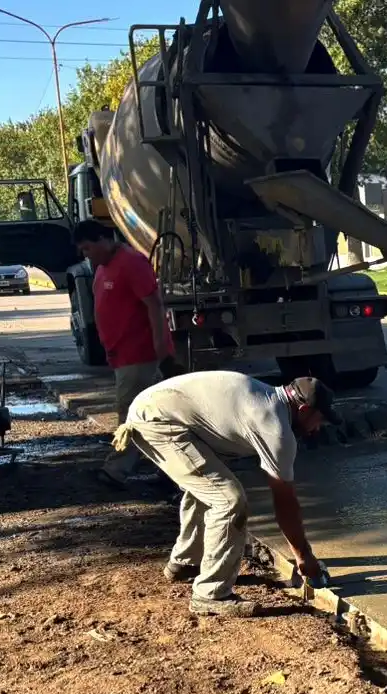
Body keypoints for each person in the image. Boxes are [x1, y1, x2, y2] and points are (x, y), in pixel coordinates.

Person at [113, 371, 337, 618]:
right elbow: (285, 503)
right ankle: (210, 594)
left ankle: (185, 562)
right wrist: (303, 556)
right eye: (320, 420)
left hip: (155, 408)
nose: (317, 429)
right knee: (229, 499)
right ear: (304, 409)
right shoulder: (275, 429)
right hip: (157, 422)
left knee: (208, 486)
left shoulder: (265, 395)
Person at [73, 219, 173, 488]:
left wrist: (159, 344)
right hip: (122, 355)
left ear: (103, 240)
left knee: (130, 413)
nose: (86, 256)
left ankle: (116, 469)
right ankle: (172, 469)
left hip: (139, 353)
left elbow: (154, 304)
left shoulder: (131, 263)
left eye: (88, 249)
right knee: (156, 415)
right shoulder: (102, 268)